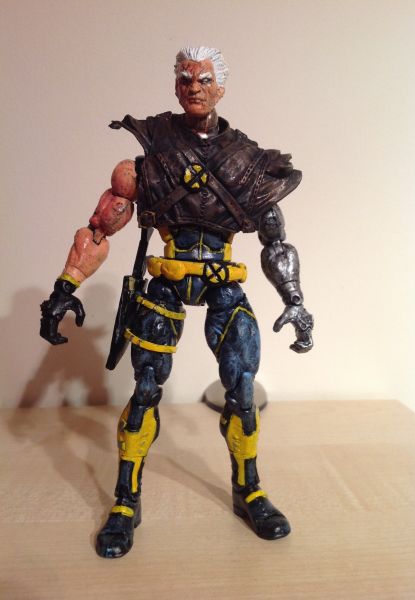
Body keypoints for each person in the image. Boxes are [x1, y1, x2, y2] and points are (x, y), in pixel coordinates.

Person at [40, 46, 314, 558]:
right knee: (145, 390)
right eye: (185, 79)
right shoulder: (150, 156)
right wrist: (64, 287)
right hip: (166, 283)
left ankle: (249, 490)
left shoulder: (250, 164)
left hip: (224, 284)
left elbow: (275, 240)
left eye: (204, 79)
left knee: (242, 389)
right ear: (175, 86)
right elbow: (101, 227)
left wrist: (294, 299)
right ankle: (127, 500)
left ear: (221, 87)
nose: (194, 87)